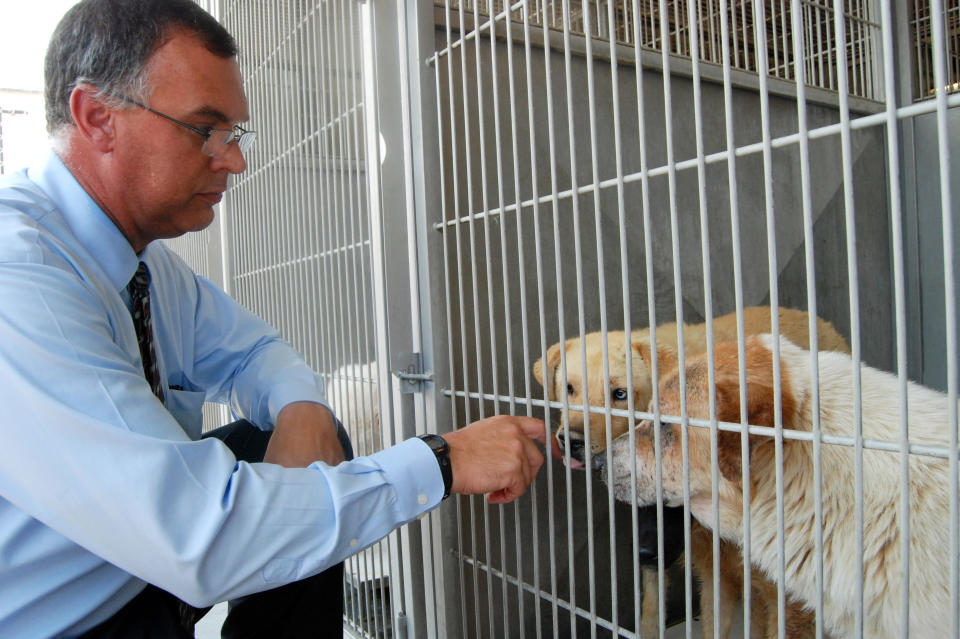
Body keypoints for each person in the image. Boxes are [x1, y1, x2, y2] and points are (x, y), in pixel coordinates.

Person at [0, 1, 558, 637]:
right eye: (203, 129)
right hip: (71, 619)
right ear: (97, 118)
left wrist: (300, 412)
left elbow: (254, 350)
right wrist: (440, 460)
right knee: (256, 504)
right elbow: (197, 535)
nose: (234, 160)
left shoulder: (142, 264)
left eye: (235, 133)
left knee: (310, 437)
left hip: (136, 575)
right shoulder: (20, 279)